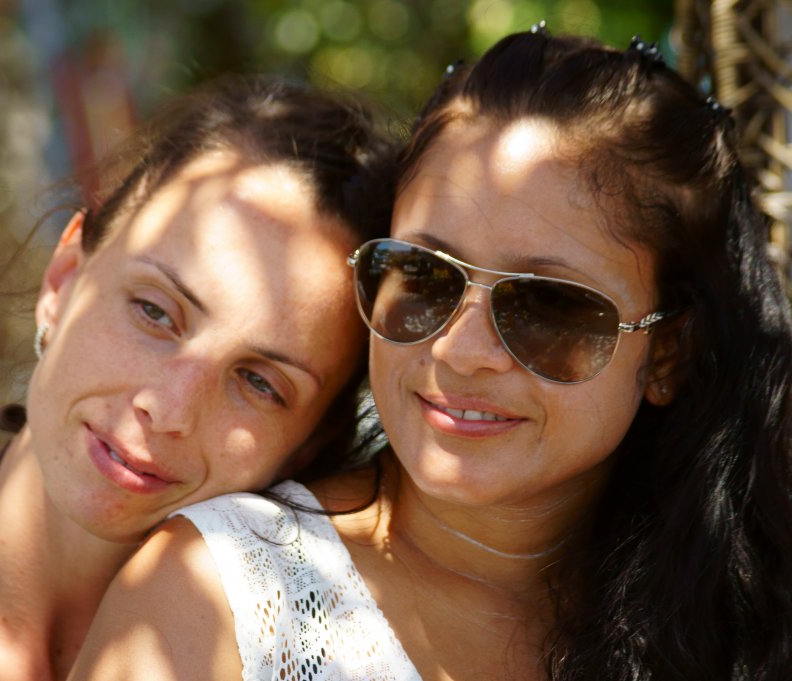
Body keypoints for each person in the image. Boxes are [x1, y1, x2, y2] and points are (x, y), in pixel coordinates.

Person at [68, 28, 792, 681]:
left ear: (667, 352)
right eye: (424, 275)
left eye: (547, 306)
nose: (460, 349)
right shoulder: (220, 599)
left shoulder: (747, 613)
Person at [0, 75, 396, 681]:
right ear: (64, 279)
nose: (169, 408)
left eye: (260, 384)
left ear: (309, 443)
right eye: (154, 311)